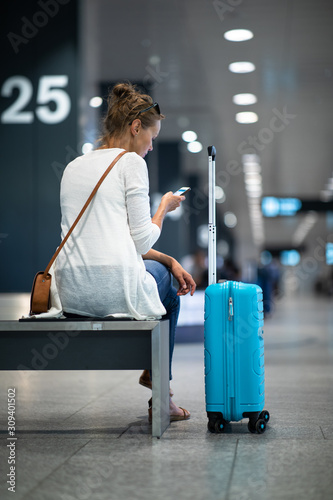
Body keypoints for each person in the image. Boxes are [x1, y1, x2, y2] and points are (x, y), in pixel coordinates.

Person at [55, 82, 196, 422]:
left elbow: (113, 241)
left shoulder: (75, 165)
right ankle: (161, 392)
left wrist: (170, 259)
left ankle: (156, 379)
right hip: (113, 290)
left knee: (164, 270)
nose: (151, 145)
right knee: (171, 293)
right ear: (136, 128)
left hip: (70, 290)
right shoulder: (131, 163)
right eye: (152, 135)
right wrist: (163, 207)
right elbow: (142, 241)